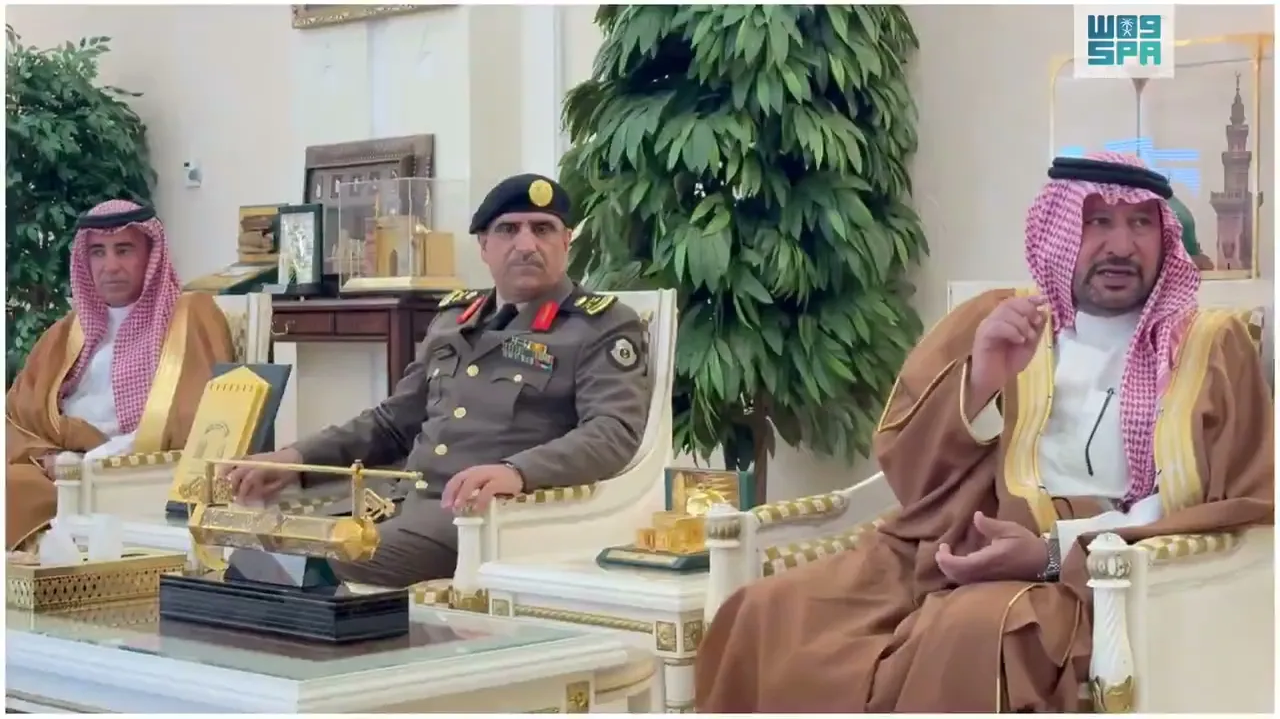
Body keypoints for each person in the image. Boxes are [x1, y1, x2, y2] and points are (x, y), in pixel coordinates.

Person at [694, 152, 1274, 712]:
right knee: (765, 612)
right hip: (942, 546)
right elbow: (910, 473)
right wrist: (980, 382)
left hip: (1088, 577)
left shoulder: (1209, 348)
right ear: (1061, 230)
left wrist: (1051, 552)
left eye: (1140, 224)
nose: (1120, 246)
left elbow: (1231, 503)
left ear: (1165, 237)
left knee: (967, 633)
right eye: (1098, 221)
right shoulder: (1002, 319)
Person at [227, 174, 652, 586]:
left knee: (306, 565)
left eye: (543, 229)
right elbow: (392, 423)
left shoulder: (601, 325)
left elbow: (612, 432)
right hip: (398, 504)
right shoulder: (454, 320)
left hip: (488, 519)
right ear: (484, 246)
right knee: (246, 547)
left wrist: (518, 472)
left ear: (566, 241)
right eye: (508, 230)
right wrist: (295, 459)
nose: (526, 245)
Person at [6, 200, 236, 550]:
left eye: (124, 250)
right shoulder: (65, 332)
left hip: (129, 472)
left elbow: (201, 417)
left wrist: (102, 457)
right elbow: (17, 415)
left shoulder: (191, 316)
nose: (110, 266)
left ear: (150, 255)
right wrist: (47, 456)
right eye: (98, 252)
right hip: (55, 469)